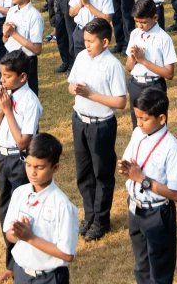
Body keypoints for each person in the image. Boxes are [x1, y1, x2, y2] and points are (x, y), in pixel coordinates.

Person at [68, 17, 128, 240]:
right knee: (84, 173)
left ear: (104, 42)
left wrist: (90, 94)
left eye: (91, 41)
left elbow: (120, 102)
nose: (86, 45)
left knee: (101, 173)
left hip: (101, 126)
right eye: (85, 40)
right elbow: (70, 84)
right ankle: (90, 215)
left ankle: (101, 220)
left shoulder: (112, 65)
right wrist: (75, 89)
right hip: (80, 121)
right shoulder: (82, 57)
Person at [120, 88, 177, 284]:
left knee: (159, 268)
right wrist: (125, 168)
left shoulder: (172, 149)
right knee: (141, 264)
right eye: (137, 117)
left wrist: (142, 179)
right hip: (135, 208)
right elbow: (129, 159)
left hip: (157, 213)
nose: (139, 123)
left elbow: (176, 194)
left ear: (161, 118)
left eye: (144, 119)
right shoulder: (137, 134)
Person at [2, 133, 78, 284]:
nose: (32, 172)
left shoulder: (63, 206)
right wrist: (16, 233)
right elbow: (8, 234)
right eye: (28, 165)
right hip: (22, 273)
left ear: (55, 168)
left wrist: (29, 237)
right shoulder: (19, 194)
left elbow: (67, 254)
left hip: (50, 278)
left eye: (39, 167)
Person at [0, 50, 42, 271]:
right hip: (2, 157)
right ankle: (11, 263)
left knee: (21, 211)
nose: (2, 80)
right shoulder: (5, 95)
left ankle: (23, 261)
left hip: (19, 162)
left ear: (22, 77)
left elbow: (22, 142)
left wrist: (8, 111)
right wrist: (1, 110)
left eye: (7, 76)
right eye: (1, 75)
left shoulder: (30, 101)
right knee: (5, 208)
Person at [124, 0, 176, 126]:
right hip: (136, 84)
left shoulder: (164, 38)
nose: (140, 26)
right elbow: (128, 67)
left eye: (143, 22)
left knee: (155, 123)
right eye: (136, 21)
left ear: (155, 17)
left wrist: (143, 61)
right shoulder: (135, 34)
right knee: (137, 124)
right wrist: (133, 59)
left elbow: (169, 74)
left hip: (154, 86)